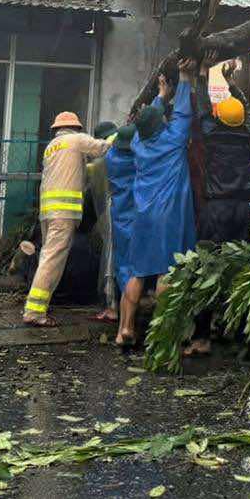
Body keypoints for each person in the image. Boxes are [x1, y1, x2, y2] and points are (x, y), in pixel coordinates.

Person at [117, 59, 198, 348]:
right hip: (168, 214)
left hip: (143, 214)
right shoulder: (173, 139)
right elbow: (184, 113)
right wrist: (187, 77)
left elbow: (148, 121)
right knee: (166, 270)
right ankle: (162, 334)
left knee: (138, 271)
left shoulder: (139, 144)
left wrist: (161, 96)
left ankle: (124, 328)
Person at [186, 60, 250, 357]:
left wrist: (203, 75)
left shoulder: (212, 134)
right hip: (242, 211)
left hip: (215, 210)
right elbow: (247, 111)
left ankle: (202, 337)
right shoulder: (247, 133)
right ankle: (241, 333)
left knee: (208, 270)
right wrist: (231, 83)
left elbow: (203, 109)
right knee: (242, 271)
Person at [22, 112, 112, 327]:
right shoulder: (76, 140)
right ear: (77, 128)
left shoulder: (52, 147)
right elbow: (103, 148)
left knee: (48, 256)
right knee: (52, 260)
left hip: (48, 212)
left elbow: (75, 171)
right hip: (64, 213)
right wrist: (120, 135)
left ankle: (40, 304)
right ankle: (34, 311)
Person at [85, 120, 120, 324]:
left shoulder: (101, 162)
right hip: (133, 211)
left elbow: (93, 197)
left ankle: (111, 306)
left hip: (113, 211)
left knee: (110, 260)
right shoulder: (125, 148)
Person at [104, 124, 138, 306]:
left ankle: (124, 302)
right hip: (138, 212)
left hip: (119, 213)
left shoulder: (110, 158)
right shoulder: (138, 159)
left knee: (122, 260)